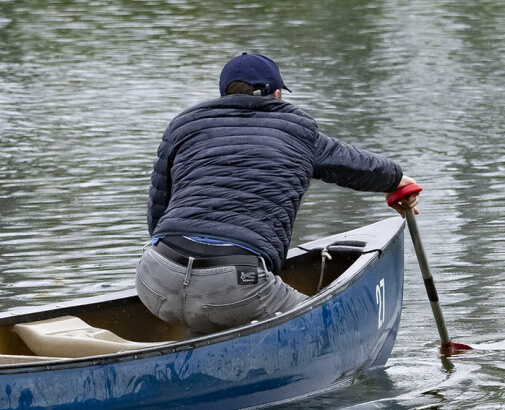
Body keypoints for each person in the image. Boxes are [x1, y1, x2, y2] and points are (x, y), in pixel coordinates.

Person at [137, 53, 418, 334]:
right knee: (336, 326)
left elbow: (157, 215)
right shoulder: (296, 129)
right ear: (278, 94)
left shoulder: (182, 125)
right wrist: (396, 180)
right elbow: (349, 164)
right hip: (236, 286)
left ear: (225, 94)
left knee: (208, 309)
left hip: (155, 277)